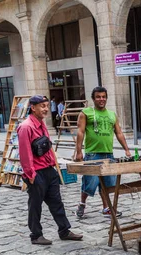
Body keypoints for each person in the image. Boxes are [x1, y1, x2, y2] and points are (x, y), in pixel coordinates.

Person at [18, 95, 83, 245]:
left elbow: (47, 148)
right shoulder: (26, 127)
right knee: (35, 205)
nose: (46, 109)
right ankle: (36, 235)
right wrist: (30, 174)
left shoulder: (41, 124)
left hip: (49, 170)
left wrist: (56, 163)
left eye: (47, 105)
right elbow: (25, 153)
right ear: (33, 108)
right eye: (42, 106)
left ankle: (64, 230)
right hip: (36, 172)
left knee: (56, 202)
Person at [75, 86, 131, 218]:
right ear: (93, 99)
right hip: (92, 154)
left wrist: (127, 150)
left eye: (104, 97)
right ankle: (82, 203)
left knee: (107, 184)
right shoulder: (85, 113)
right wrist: (78, 151)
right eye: (98, 97)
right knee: (90, 182)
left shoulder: (112, 114)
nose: (101, 99)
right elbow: (80, 132)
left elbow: (119, 132)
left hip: (108, 154)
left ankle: (106, 207)